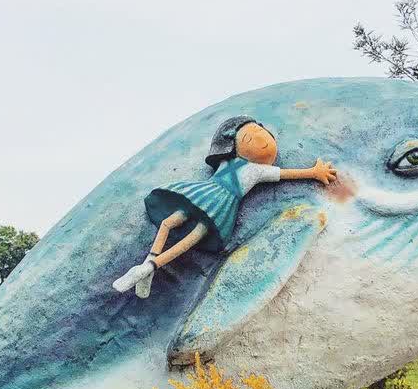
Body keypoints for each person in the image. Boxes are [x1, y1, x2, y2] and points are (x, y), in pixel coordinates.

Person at [113, 115, 337, 297]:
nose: (261, 138)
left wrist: (314, 173)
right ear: (234, 144)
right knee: (168, 222)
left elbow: (285, 174)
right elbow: (285, 173)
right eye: (251, 136)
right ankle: (148, 267)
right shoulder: (230, 161)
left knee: (192, 237)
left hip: (221, 203)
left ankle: (148, 268)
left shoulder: (257, 171)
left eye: (263, 134)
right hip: (205, 193)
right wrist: (314, 173)